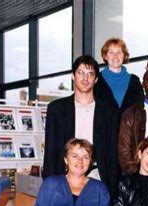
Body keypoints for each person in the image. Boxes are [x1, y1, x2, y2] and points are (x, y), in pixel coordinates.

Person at [43, 55, 120, 197]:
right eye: (80, 73)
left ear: (96, 79)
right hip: (65, 177)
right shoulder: (57, 109)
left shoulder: (109, 111)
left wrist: (114, 188)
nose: (85, 78)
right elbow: (50, 151)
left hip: (97, 176)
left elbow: (113, 152)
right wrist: (49, 186)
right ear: (73, 76)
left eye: (90, 74)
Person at [94, 37, 144, 113]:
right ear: (105, 56)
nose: (115, 56)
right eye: (111, 52)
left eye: (119, 52)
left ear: (124, 56)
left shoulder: (134, 81)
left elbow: (140, 108)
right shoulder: (96, 80)